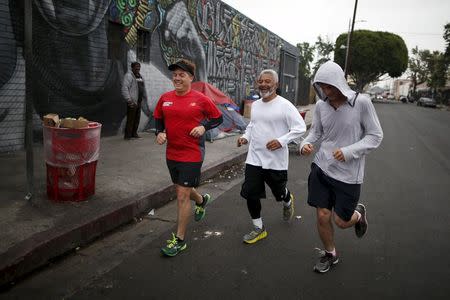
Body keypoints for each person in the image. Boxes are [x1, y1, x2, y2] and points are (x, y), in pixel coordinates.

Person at [299, 61, 383, 273]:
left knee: (341, 221)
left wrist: (348, 151)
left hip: (348, 175)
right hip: (322, 168)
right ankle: (330, 254)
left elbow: (375, 136)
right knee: (322, 215)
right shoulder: (321, 106)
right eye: (322, 87)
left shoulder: (361, 102)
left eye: (330, 86)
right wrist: (305, 143)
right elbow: (316, 132)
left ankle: (357, 215)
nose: (326, 92)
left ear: (339, 83)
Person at [153, 59, 223, 257]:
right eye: (175, 74)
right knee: (182, 189)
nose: (177, 78)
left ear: (191, 78)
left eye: (181, 75)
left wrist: (203, 127)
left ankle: (180, 240)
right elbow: (158, 116)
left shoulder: (200, 99)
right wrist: (159, 132)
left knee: (182, 195)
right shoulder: (165, 98)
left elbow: (218, 118)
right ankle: (201, 201)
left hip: (192, 153)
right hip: (172, 153)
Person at [237, 69, 306, 244]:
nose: (263, 84)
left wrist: (281, 141)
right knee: (251, 193)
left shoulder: (285, 105)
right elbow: (253, 125)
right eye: (260, 81)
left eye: (268, 81)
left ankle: (287, 198)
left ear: (276, 85)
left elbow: (300, 128)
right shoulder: (256, 105)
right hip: (254, 158)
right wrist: (245, 137)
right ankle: (258, 228)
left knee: (278, 191)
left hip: (275, 161)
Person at [122, 62, 148, 140]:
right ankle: (128, 136)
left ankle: (134, 134)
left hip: (139, 101)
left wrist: (144, 98)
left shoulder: (140, 76)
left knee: (137, 119)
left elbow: (143, 88)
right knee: (130, 119)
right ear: (132, 68)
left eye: (139, 68)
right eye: (136, 67)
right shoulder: (129, 76)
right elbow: (124, 88)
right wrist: (129, 100)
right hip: (132, 101)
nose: (138, 69)